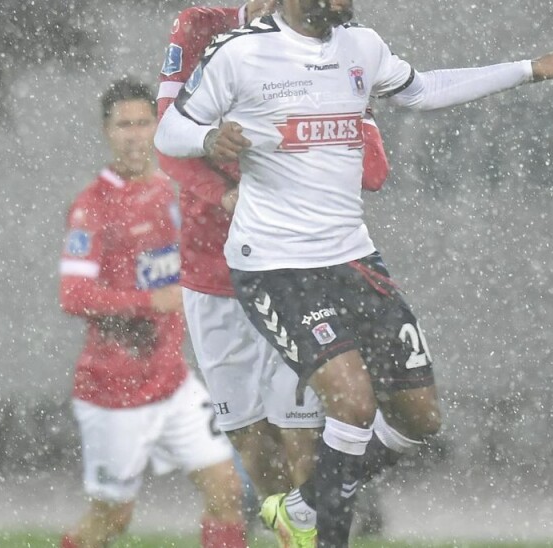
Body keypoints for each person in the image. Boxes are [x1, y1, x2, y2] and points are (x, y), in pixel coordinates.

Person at [155, 1, 553, 546]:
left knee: (420, 418)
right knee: (350, 403)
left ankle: (304, 506)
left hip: (351, 258)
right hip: (275, 264)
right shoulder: (237, 50)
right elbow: (169, 131)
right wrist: (206, 140)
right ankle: (326, 535)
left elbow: (424, 90)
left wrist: (529, 69)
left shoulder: (361, 44)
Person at [154, 0, 390, 525]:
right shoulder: (203, 25)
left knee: (302, 433)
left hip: (294, 269)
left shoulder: (334, 35)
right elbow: (167, 144)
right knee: (254, 447)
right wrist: (225, 196)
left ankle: (322, 527)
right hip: (210, 268)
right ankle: (295, 527)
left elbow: (373, 170)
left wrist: (353, 125)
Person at [58, 78, 247, 548]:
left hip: (172, 380)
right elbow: (74, 295)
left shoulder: (174, 190)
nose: (135, 135)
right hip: (113, 388)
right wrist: (150, 302)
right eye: (124, 124)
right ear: (107, 131)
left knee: (226, 490)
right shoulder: (93, 207)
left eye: (144, 123)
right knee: (111, 519)